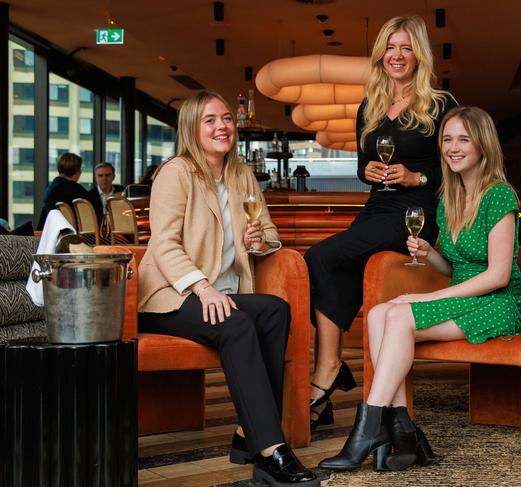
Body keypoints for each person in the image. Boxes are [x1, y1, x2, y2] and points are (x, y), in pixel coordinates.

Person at [318, 106, 521, 472]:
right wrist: (431, 254)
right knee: (380, 312)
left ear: (483, 146)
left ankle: (368, 431)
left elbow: (497, 276)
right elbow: (455, 267)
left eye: (464, 139)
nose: (453, 147)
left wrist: (429, 296)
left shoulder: (500, 196)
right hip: (464, 295)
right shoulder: (449, 198)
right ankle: (403, 432)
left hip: (497, 302)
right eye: (447, 139)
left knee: (398, 316)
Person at [137, 90, 319, 487]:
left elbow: (269, 234)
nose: (222, 126)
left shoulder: (241, 175)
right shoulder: (176, 172)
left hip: (223, 293)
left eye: (226, 119)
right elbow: (163, 243)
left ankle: (246, 433)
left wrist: (258, 243)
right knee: (237, 324)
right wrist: (203, 287)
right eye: (210, 120)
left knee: (275, 310)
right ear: (192, 128)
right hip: (172, 295)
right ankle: (270, 450)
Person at [304, 14, 456, 431]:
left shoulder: (441, 104)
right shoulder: (369, 106)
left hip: (417, 211)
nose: (397, 55)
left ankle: (327, 372)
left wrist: (416, 176)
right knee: (334, 266)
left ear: (419, 55)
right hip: (376, 207)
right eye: (391, 47)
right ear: (381, 55)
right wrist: (368, 171)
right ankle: (330, 372)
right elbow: (360, 166)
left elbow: (459, 168)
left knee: (320, 256)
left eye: (406, 47)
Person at [36, 152, 102, 230]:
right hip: (79, 235)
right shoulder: (75, 190)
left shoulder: (52, 187)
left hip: (54, 233)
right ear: (77, 171)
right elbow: (96, 210)